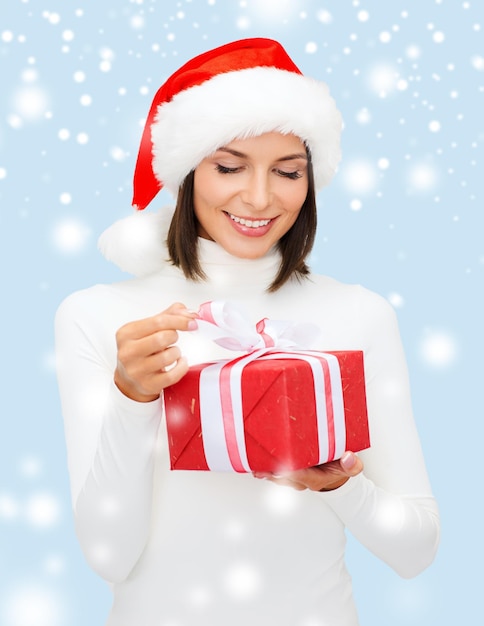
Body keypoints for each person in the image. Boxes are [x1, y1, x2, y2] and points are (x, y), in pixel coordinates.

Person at [55, 38, 440, 626]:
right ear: (186, 172)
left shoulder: (359, 314)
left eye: (288, 172)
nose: (260, 197)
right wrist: (133, 398)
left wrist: (338, 487)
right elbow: (109, 556)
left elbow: (416, 549)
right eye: (229, 167)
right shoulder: (101, 316)